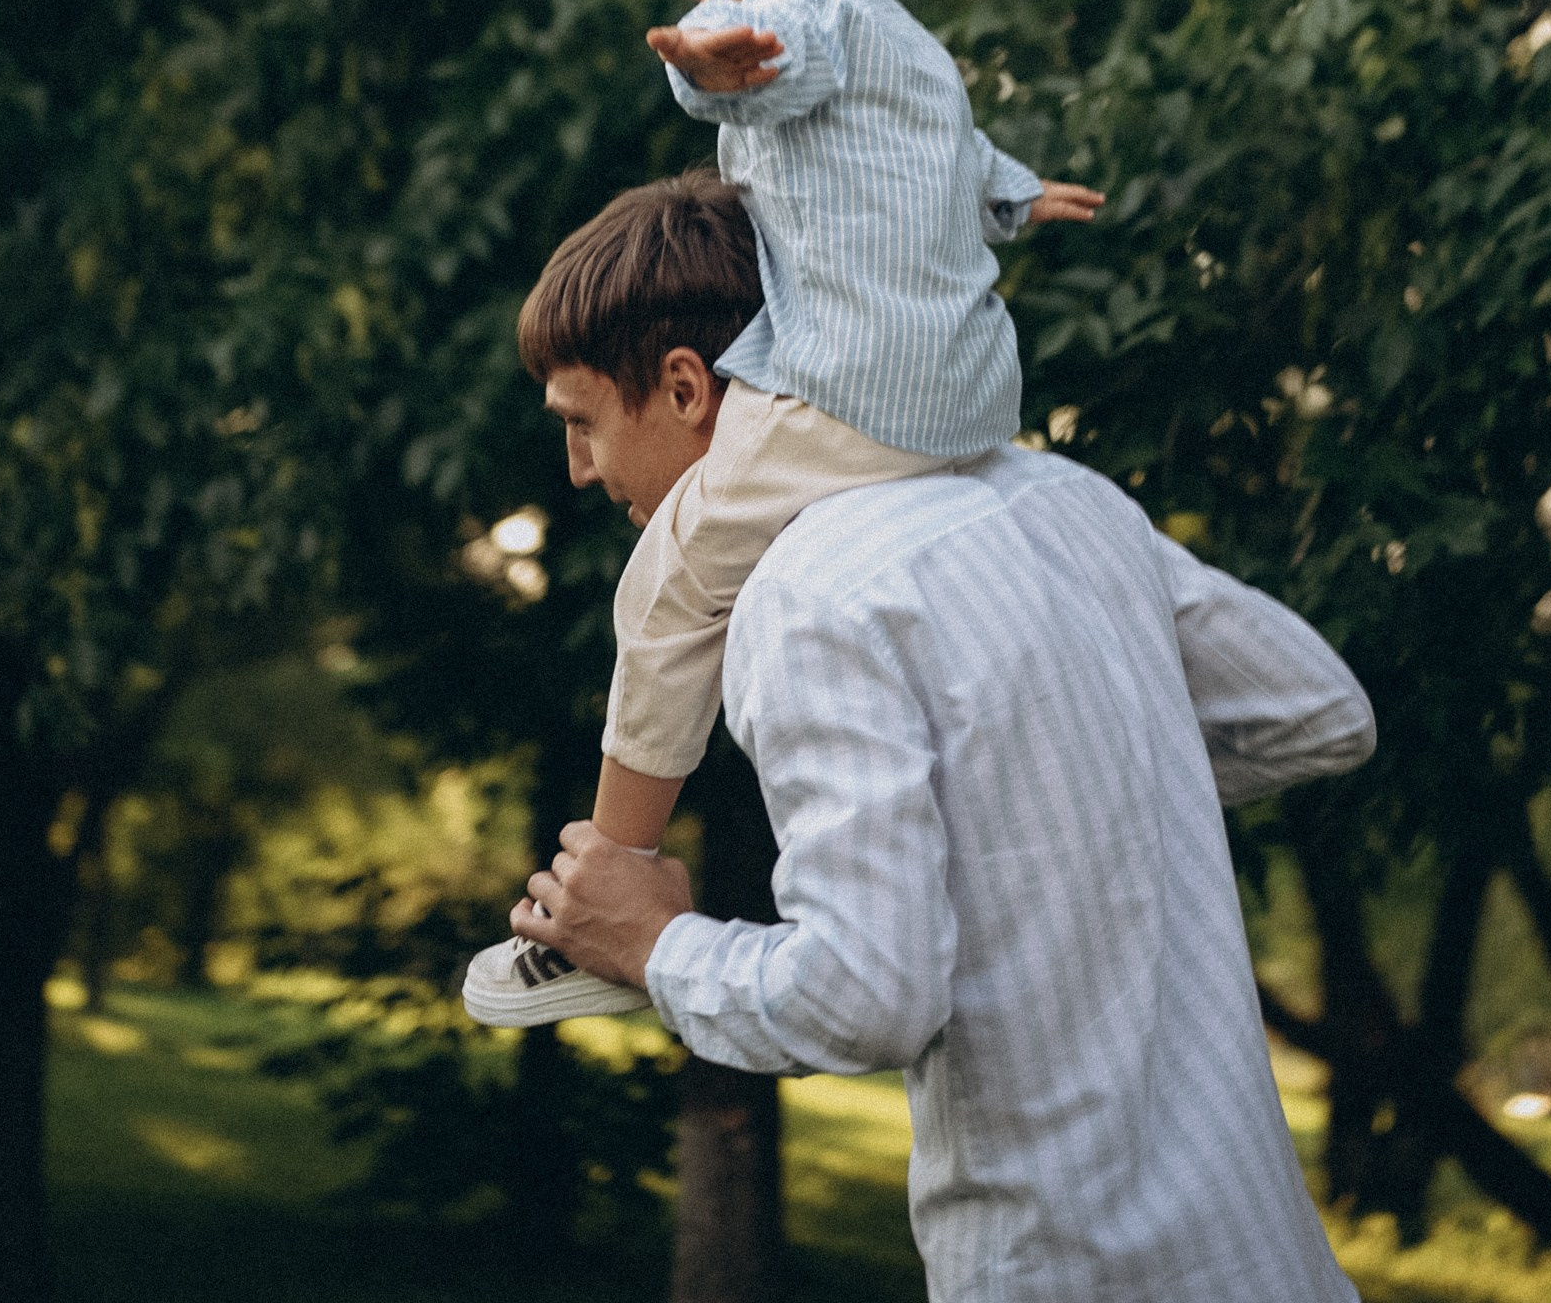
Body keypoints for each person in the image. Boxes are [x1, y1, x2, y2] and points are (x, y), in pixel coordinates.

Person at [479, 169, 1375, 1303]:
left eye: (581, 424)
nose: (579, 470)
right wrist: (1062, 786)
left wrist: (658, 947)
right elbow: (1318, 710)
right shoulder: (1066, 501)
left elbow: (864, 994)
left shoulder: (808, 598)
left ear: (685, 385)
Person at [466, 0, 1102, 1023]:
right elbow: (952, 160)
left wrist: (712, 64)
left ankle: (611, 875)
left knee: (665, 589)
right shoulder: (912, 45)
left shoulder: (796, 16)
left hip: (845, 389)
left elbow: (768, 61)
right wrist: (1020, 198)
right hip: (966, 400)